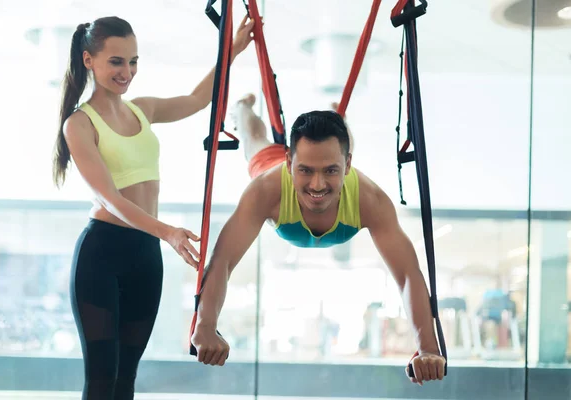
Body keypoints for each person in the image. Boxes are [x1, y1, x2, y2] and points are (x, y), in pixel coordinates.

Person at [51, 15, 254, 399]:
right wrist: (168, 232)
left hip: (145, 255)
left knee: (126, 378)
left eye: (133, 61)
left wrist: (232, 51)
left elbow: (197, 100)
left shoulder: (141, 110)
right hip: (102, 254)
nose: (127, 71)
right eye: (116, 61)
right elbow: (109, 196)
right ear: (88, 59)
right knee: (101, 378)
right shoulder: (79, 125)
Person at [190, 94, 446, 385]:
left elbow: (408, 274)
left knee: (331, 148)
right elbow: (223, 260)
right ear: (290, 162)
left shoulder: (370, 199)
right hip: (269, 166)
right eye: (305, 171)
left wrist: (427, 347)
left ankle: (339, 120)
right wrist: (206, 324)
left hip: (339, 174)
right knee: (256, 142)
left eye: (331, 171)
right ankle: (243, 109)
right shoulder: (265, 191)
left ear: (348, 165)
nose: (317, 185)